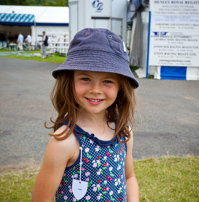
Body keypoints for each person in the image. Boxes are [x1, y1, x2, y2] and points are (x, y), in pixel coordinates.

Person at [32, 28, 140, 202]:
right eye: (85, 78)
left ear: (121, 86)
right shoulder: (64, 141)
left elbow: (129, 178)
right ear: (69, 81)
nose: (96, 90)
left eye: (107, 81)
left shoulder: (123, 132)